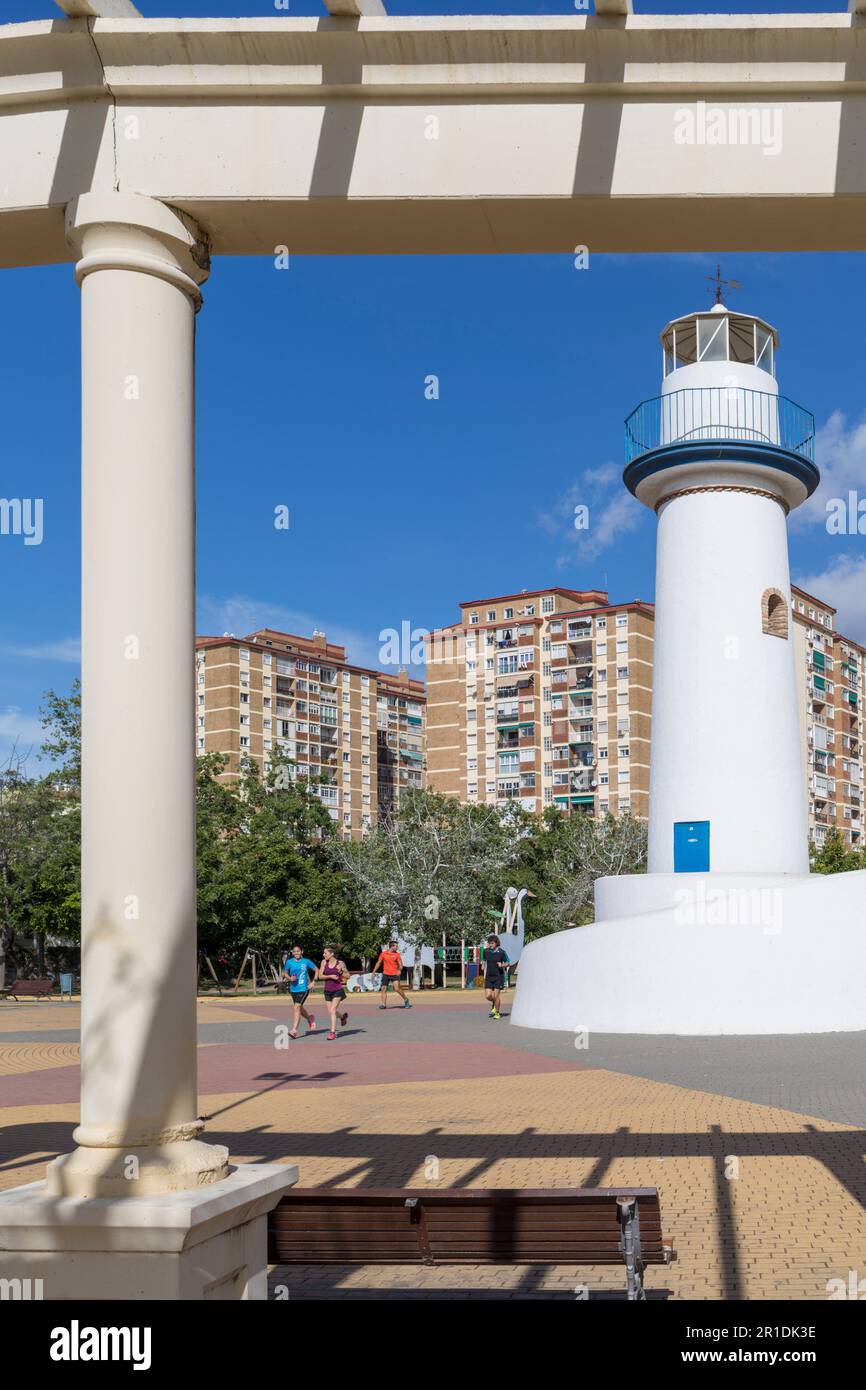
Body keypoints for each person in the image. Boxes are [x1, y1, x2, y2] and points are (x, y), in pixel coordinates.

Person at [283, 945, 318, 1038]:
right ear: (292, 953)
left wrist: (314, 982)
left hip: (304, 989)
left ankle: (294, 1030)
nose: (296, 953)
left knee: (296, 1007)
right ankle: (310, 1018)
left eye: (298, 951)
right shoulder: (289, 962)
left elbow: (316, 970)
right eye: (294, 951)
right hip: (293, 989)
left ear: (302, 952)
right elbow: (285, 973)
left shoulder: (306, 961)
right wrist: (290, 978)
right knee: (300, 1008)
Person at [319, 945, 350, 1040]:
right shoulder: (324, 962)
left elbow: (348, 976)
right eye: (323, 953)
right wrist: (331, 976)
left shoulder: (340, 963)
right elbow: (320, 976)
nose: (324, 955)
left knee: (332, 1010)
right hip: (327, 990)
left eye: (325, 953)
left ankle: (332, 1033)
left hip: (338, 989)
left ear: (332, 953)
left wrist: (340, 971)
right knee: (331, 1011)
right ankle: (342, 1017)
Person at [372, 940, 412, 1010]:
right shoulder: (383, 954)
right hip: (386, 974)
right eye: (396, 946)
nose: (397, 947)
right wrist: (373, 972)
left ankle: (406, 999)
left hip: (395, 974)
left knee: (396, 988)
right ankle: (383, 1005)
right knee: (383, 989)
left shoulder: (397, 955)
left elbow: (401, 964)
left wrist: (399, 970)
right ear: (391, 946)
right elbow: (378, 963)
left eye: (397, 946)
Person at [483, 934, 510, 1020]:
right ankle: (494, 1004)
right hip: (489, 977)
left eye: (492, 943)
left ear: (496, 943)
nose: (490, 945)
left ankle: (497, 1013)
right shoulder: (486, 951)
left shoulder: (502, 952)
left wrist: (502, 965)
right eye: (489, 943)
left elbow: (508, 963)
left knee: (496, 996)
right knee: (488, 996)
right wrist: (482, 965)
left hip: (499, 977)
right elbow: (484, 959)